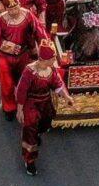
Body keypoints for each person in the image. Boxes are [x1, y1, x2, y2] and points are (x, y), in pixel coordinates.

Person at [16, 39, 74, 175]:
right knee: (30, 131)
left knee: (45, 123)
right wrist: (20, 109)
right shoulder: (29, 71)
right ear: (45, 59)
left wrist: (67, 97)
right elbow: (21, 91)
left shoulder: (51, 69)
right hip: (31, 105)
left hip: (45, 102)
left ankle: (38, 132)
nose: (54, 60)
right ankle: (29, 161)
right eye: (52, 58)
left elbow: (58, 84)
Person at [0, 0, 46, 120]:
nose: (14, 12)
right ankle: (9, 108)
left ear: (19, 5)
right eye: (10, 10)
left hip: (23, 55)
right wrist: (7, 46)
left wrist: (44, 45)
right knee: (7, 84)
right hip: (5, 57)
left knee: (24, 82)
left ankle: (23, 104)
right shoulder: (0, 20)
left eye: (15, 8)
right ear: (6, 9)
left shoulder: (28, 15)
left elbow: (38, 31)